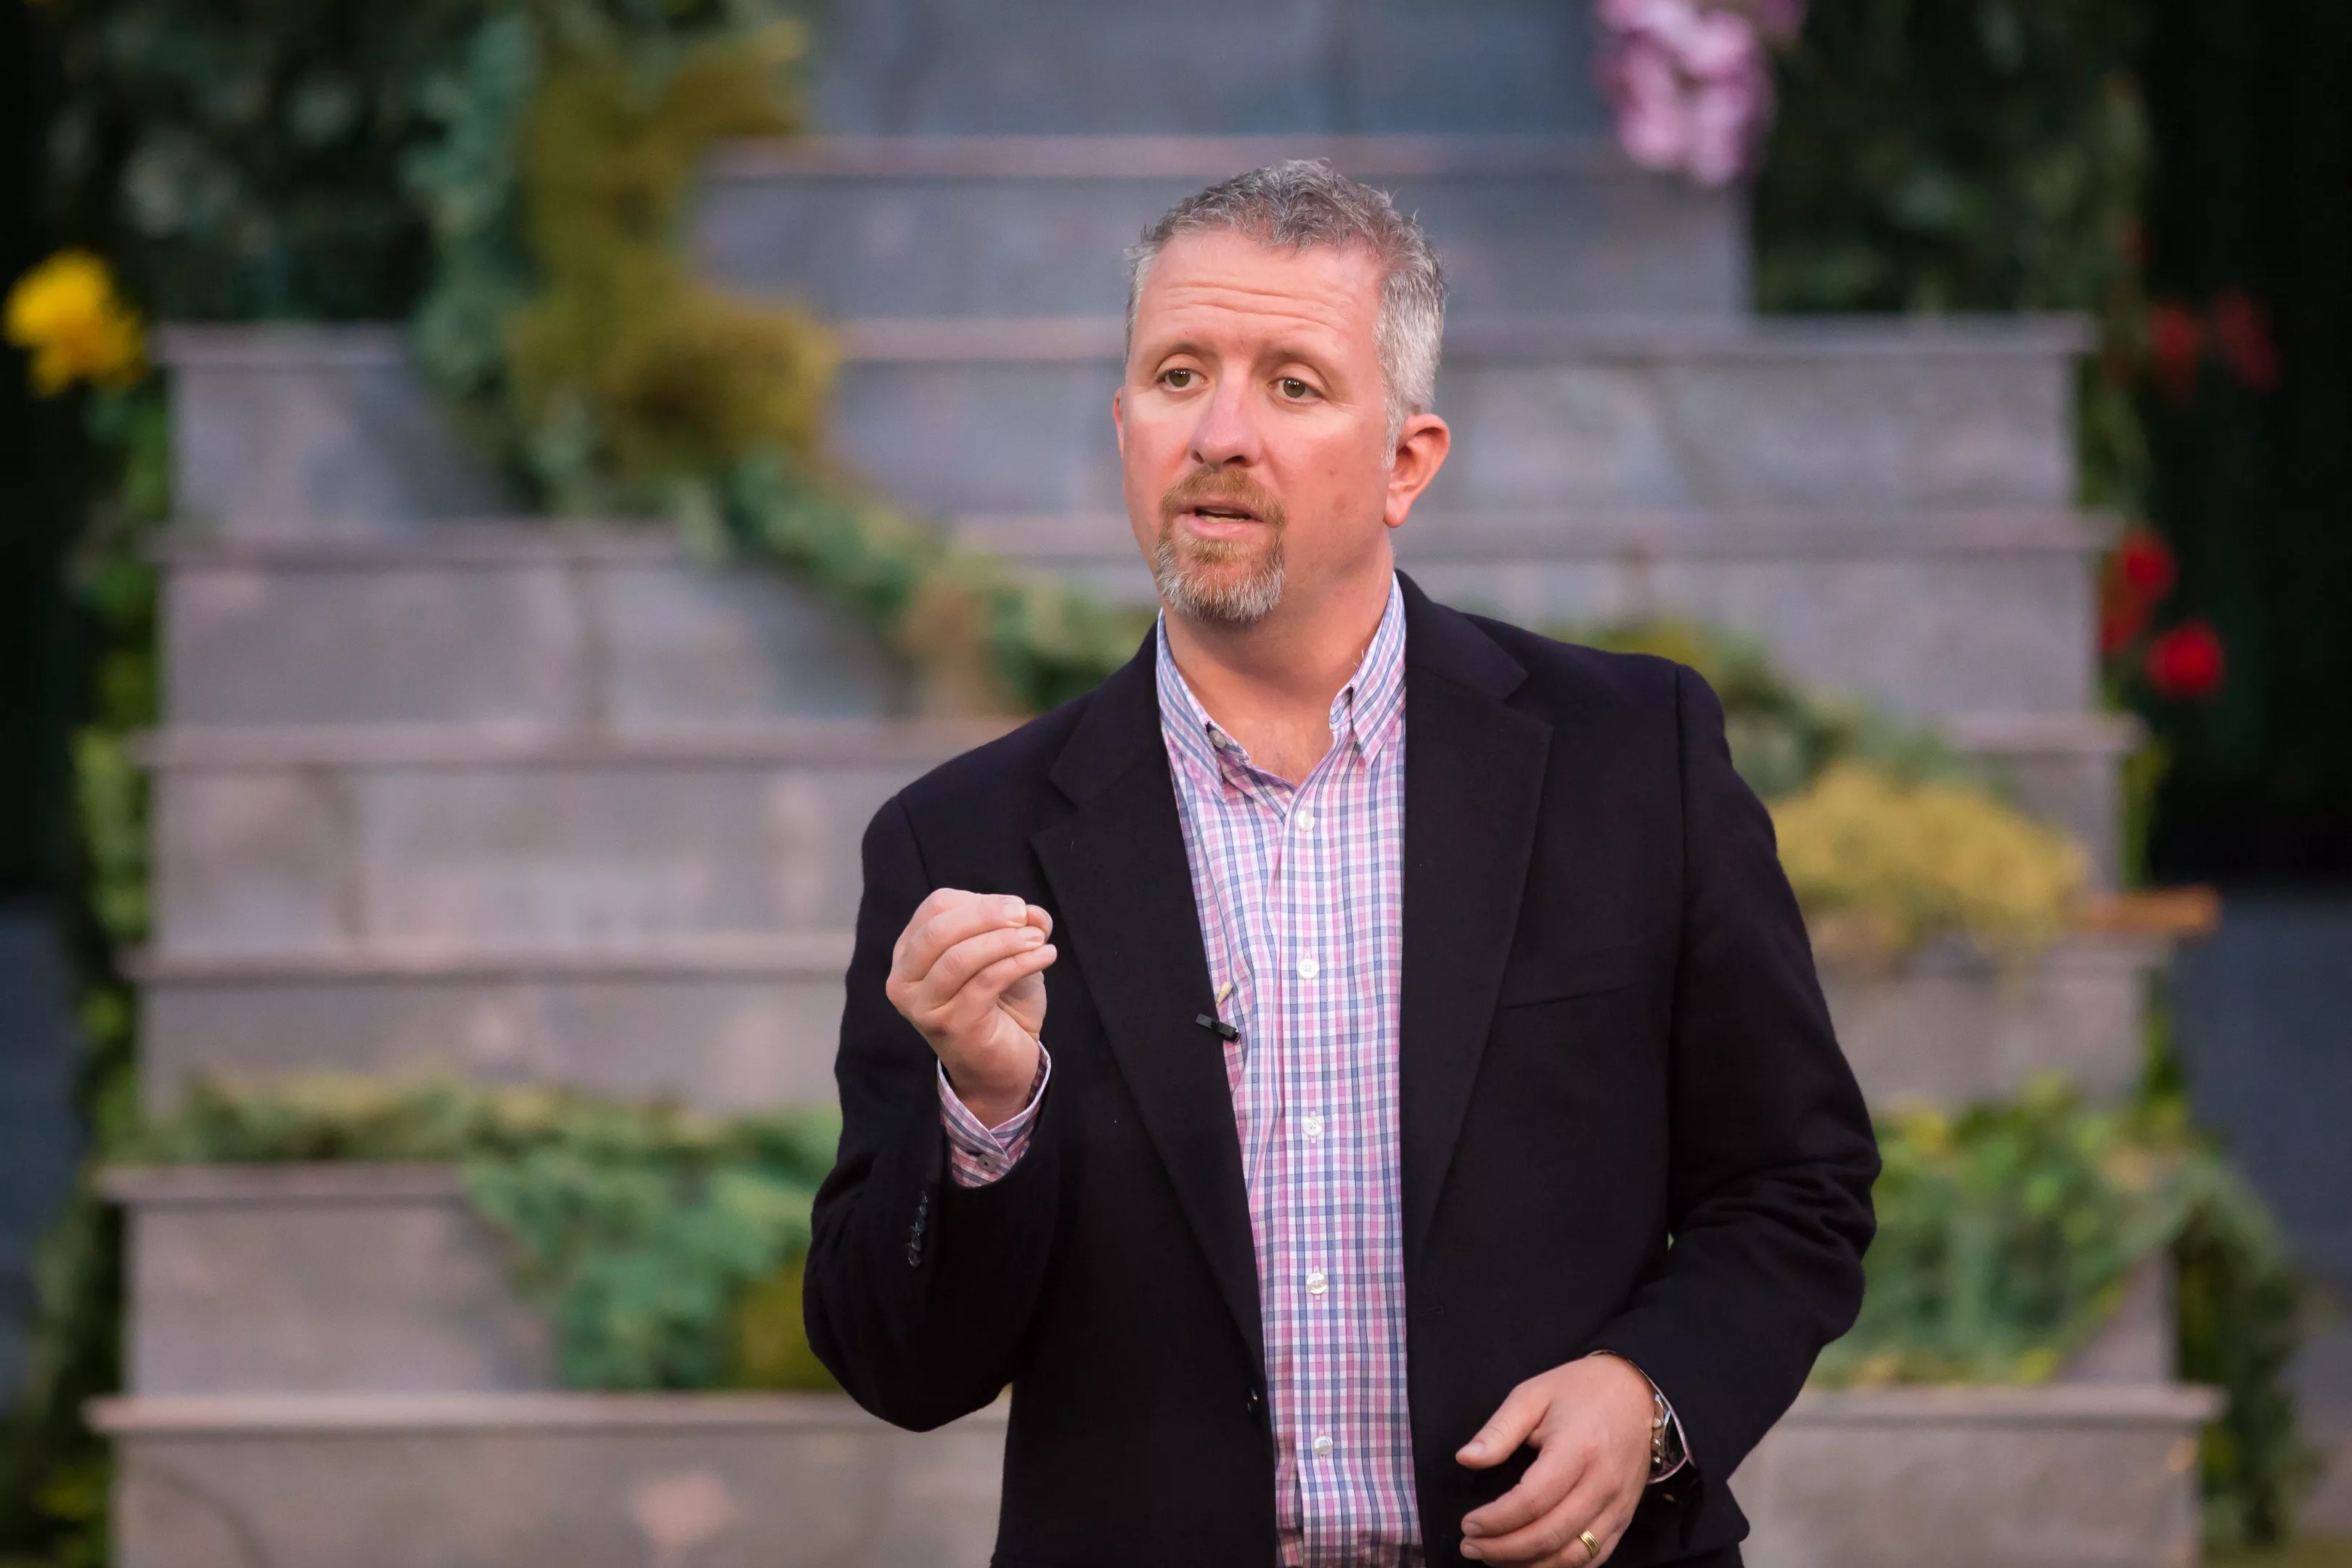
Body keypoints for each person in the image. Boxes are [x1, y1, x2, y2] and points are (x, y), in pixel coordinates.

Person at [804, 160, 1879, 1568]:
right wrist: (987, 1113)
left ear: (1405, 463)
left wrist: (1650, 1393)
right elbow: (900, 1363)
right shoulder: (959, 842)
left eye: (1294, 385)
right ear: (1124, 427)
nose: (1221, 434)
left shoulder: (1634, 759)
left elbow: (1798, 1184)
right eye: (1178, 376)